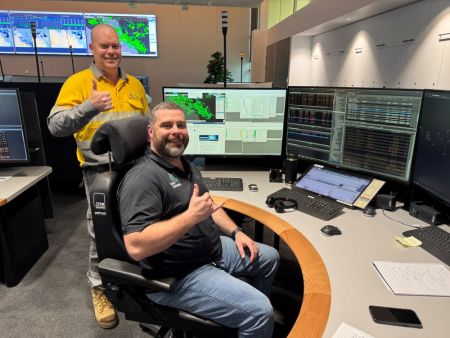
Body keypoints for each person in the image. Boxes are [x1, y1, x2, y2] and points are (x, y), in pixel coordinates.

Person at [117, 102, 280, 338]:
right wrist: (190, 217)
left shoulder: (186, 166)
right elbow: (135, 246)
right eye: (167, 125)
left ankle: (236, 321)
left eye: (181, 125)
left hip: (211, 250)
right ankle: (250, 318)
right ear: (151, 132)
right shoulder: (143, 179)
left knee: (270, 258)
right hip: (179, 274)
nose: (176, 131)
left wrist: (236, 232)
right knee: (260, 311)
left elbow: (208, 205)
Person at [47, 24, 149, 329]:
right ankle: (98, 288)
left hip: (134, 170)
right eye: (104, 46)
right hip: (99, 173)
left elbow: (146, 126)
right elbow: (55, 126)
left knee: (138, 225)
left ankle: (133, 282)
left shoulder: (135, 86)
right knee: (99, 233)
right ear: (91, 48)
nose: (111, 51)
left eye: (115, 46)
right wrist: (89, 107)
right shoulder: (79, 83)